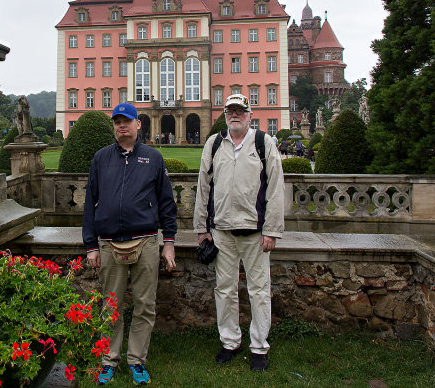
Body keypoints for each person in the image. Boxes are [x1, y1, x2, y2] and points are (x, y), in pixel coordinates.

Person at [83, 102, 178, 385]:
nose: (121, 126)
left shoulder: (153, 158)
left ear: (139, 125)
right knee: (111, 305)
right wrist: (90, 245)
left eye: (127, 121)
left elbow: (166, 204)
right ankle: (109, 360)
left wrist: (169, 242)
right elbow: (90, 204)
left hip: (146, 242)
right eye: (117, 122)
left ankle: (136, 360)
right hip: (110, 243)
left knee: (145, 305)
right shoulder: (101, 158)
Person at [194, 93, 285, 372]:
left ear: (249, 114)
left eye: (240, 111)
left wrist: (271, 230)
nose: (235, 115)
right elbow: (203, 187)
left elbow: (276, 189)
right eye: (230, 110)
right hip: (221, 231)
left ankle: (259, 347)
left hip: (255, 233)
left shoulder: (263, 142)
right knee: (225, 290)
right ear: (224, 113)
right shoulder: (214, 143)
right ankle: (230, 341)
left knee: (259, 291)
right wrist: (201, 228)